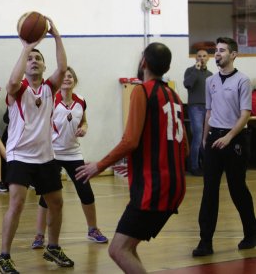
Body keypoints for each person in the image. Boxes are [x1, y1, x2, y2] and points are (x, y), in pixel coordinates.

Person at [76, 42, 188, 274]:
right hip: (174, 186)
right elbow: (184, 147)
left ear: (144, 62)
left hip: (154, 188)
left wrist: (99, 165)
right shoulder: (174, 96)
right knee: (127, 247)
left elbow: (130, 141)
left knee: (118, 250)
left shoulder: (141, 90)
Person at [0, 17, 74, 274]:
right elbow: (11, 82)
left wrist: (57, 37)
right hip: (19, 154)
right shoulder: (18, 89)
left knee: (57, 203)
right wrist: (26, 47)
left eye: (38, 58)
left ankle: (53, 247)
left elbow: (63, 67)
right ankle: (4, 256)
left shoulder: (51, 87)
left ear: (44, 65)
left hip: (45, 156)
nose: (34, 61)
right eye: (30, 59)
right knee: (16, 204)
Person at [31, 66, 108, 250]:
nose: (67, 78)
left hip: (73, 153)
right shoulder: (51, 99)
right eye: (64, 76)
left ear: (74, 80)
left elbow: (84, 121)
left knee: (86, 191)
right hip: (53, 153)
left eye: (70, 76)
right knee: (46, 196)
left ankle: (92, 229)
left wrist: (85, 128)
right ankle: (40, 235)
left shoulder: (81, 101)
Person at [192, 37, 256, 257]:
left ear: (234, 54)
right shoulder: (211, 81)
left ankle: (251, 234)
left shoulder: (243, 81)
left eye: (222, 50)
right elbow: (209, 112)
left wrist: (229, 137)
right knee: (209, 191)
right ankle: (205, 242)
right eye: (216, 50)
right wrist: (204, 139)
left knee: (237, 189)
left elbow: (245, 114)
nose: (217, 54)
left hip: (235, 139)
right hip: (214, 138)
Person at [183, 49, 213, 176]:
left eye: (204, 56)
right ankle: (193, 166)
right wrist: (196, 69)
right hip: (195, 107)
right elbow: (188, 84)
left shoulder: (211, 74)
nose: (202, 58)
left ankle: (204, 164)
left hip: (208, 108)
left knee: (205, 137)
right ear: (195, 58)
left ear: (208, 58)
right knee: (198, 137)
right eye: (199, 56)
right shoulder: (190, 71)